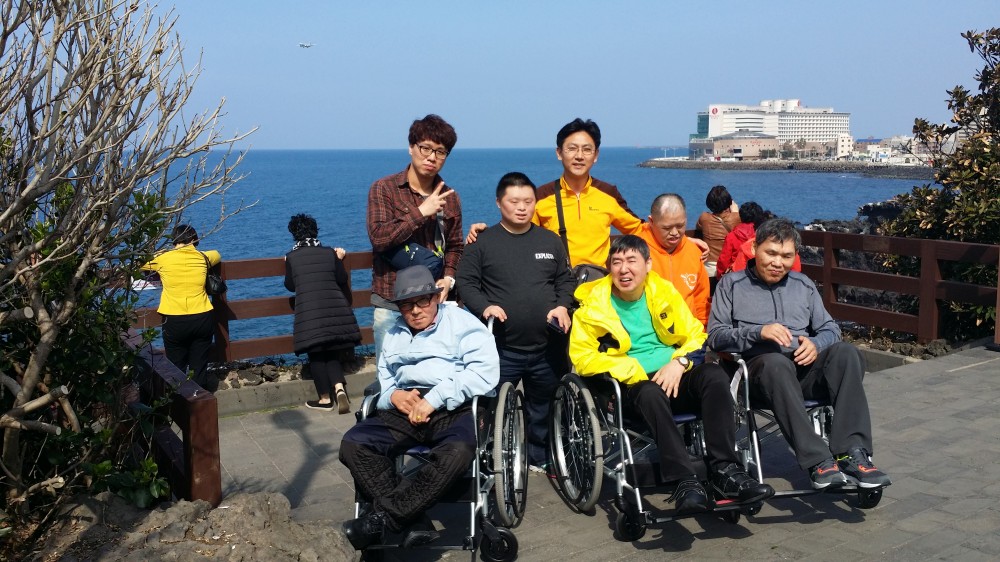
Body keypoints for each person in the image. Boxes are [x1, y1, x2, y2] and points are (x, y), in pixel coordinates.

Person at [569, 235, 773, 515]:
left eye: (631, 261)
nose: (624, 269)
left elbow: (695, 335)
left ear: (647, 265)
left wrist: (680, 362)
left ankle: (725, 470)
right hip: (631, 387)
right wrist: (632, 370)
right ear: (609, 267)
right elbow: (581, 357)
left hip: (673, 376)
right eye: (616, 262)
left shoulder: (662, 291)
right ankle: (684, 480)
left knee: (714, 376)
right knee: (650, 392)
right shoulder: (592, 306)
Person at [707, 218, 892, 490]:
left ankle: (852, 453)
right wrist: (758, 332)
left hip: (803, 371)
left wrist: (816, 343)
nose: (777, 263)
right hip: (758, 377)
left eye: (786, 256)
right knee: (775, 363)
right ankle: (818, 460)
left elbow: (831, 328)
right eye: (771, 253)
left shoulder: (803, 284)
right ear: (754, 248)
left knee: (846, 353)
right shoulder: (731, 285)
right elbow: (715, 336)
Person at [339, 265, 500, 550]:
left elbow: (483, 373)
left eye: (422, 301)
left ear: (436, 297)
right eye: (406, 305)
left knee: (458, 453)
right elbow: (385, 380)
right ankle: (413, 521)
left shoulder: (463, 324)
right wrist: (393, 396)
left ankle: (384, 519)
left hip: (453, 406)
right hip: (404, 408)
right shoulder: (394, 334)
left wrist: (435, 398)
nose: (415, 310)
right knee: (354, 444)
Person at [456, 172, 576, 473]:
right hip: (500, 347)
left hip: (548, 345)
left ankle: (539, 455)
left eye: (528, 201)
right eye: (514, 201)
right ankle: (492, 458)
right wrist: (485, 307)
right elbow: (466, 282)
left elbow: (565, 280)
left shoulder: (550, 240)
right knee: (492, 406)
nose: (522, 207)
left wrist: (562, 306)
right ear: (499, 203)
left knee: (545, 405)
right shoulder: (482, 243)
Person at [367, 114, 463, 363]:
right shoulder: (384, 189)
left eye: (440, 152)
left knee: (435, 373)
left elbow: (455, 246)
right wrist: (421, 213)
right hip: (392, 303)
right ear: (411, 147)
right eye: (425, 148)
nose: (432, 157)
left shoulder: (450, 197)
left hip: (433, 304)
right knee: (390, 373)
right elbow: (378, 237)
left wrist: (449, 278)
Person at [284, 214, 361, 414]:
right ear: (315, 231)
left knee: (316, 354)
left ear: (294, 234)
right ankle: (339, 388)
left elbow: (290, 285)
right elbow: (341, 278)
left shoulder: (291, 257)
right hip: (335, 311)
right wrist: (339, 259)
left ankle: (325, 399)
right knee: (331, 350)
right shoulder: (329, 253)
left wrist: (288, 264)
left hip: (310, 314)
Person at [140, 225, 221, 391]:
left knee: (176, 367)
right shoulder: (203, 257)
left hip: (174, 319)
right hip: (202, 316)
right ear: (194, 239)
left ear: (174, 240)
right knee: (199, 366)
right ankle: (200, 398)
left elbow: (142, 263)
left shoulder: (163, 258)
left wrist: (161, 252)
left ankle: (179, 401)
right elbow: (217, 254)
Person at [637, 193, 710, 327]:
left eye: (680, 225)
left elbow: (701, 299)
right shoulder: (636, 252)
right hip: (649, 333)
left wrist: (702, 330)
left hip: (689, 332)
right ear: (651, 221)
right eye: (667, 228)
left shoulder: (693, 251)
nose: (675, 233)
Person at [694, 185, 740, 282]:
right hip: (729, 267)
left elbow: (698, 227)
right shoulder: (737, 217)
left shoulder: (704, 217)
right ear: (729, 202)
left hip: (709, 266)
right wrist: (735, 211)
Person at [716, 201, 765, 278]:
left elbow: (724, 259)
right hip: (757, 274)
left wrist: (720, 275)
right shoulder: (762, 235)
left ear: (741, 216)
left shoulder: (732, 236)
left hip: (736, 274)